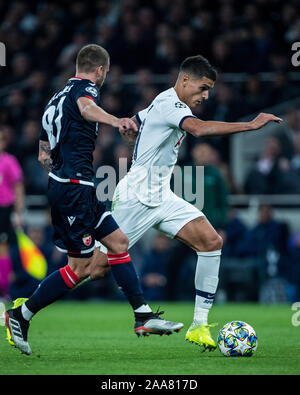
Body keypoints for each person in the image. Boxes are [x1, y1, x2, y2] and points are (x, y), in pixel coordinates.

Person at [91, 55, 282, 351]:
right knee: (93, 269)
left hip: (162, 194)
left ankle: (199, 326)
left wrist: (131, 134)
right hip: (136, 196)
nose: (205, 96)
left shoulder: (162, 100)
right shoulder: (172, 105)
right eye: (203, 88)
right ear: (185, 80)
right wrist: (250, 125)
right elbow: (199, 129)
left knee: (211, 242)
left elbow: (134, 124)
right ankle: (24, 311)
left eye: (209, 91)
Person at [4, 44, 183, 356]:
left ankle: (142, 315)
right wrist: (115, 121)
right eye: (106, 72)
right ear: (100, 70)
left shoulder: (54, 99)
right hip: (73, 188)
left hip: (76, 187)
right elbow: (87, 108)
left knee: (118, 243)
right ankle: (21, 314)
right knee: (82, 266)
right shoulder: (86, 89)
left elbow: (42, 151)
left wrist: (58, 170)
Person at [0, 129, 24, 300]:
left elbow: (18, 187)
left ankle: (4, 290)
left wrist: (18, 213)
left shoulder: (8, 161)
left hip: (4, 209)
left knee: (3, 249)